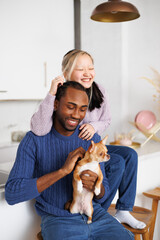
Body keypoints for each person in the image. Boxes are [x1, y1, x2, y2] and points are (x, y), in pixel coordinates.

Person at [30, 49, 145, 229]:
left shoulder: (99, 91)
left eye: (90, 68)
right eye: (81, 69)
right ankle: (97, 209)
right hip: (71, 150)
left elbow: (106, 120)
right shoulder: (58, 95)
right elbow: (38, 129)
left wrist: (94, 127)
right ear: (66, 73)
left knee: (129, 155)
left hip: (91, 145)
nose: (87, 73)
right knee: (117, 162)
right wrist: (51, 93)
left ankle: (123, 209)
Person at [5, 82, 134, 240]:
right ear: (56, 104)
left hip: (95, 214)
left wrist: (97, 187)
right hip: (58, 220)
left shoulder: (91, 138)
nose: (76, 115)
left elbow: (104, 189)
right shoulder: (33, 141)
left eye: (82, 109)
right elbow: (12, 193)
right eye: (70, 106)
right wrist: (63, 171)